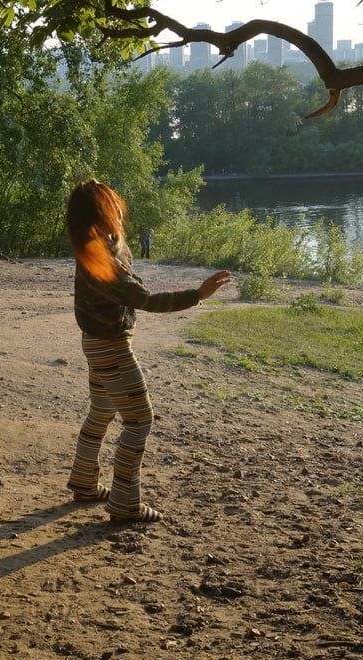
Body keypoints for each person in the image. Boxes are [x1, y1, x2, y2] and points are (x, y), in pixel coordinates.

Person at [65, 179, 231, 523]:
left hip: (97, 345)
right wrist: (197, 295)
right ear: (100, 214)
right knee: (140, 420)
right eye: (112, 208)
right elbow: (144, 299)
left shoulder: (94, 247)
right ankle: (125, 505)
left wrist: (115, 239)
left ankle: (84, 483)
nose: (118, 213)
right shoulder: (100, 259)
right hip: (110, 348)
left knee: (101, 413)